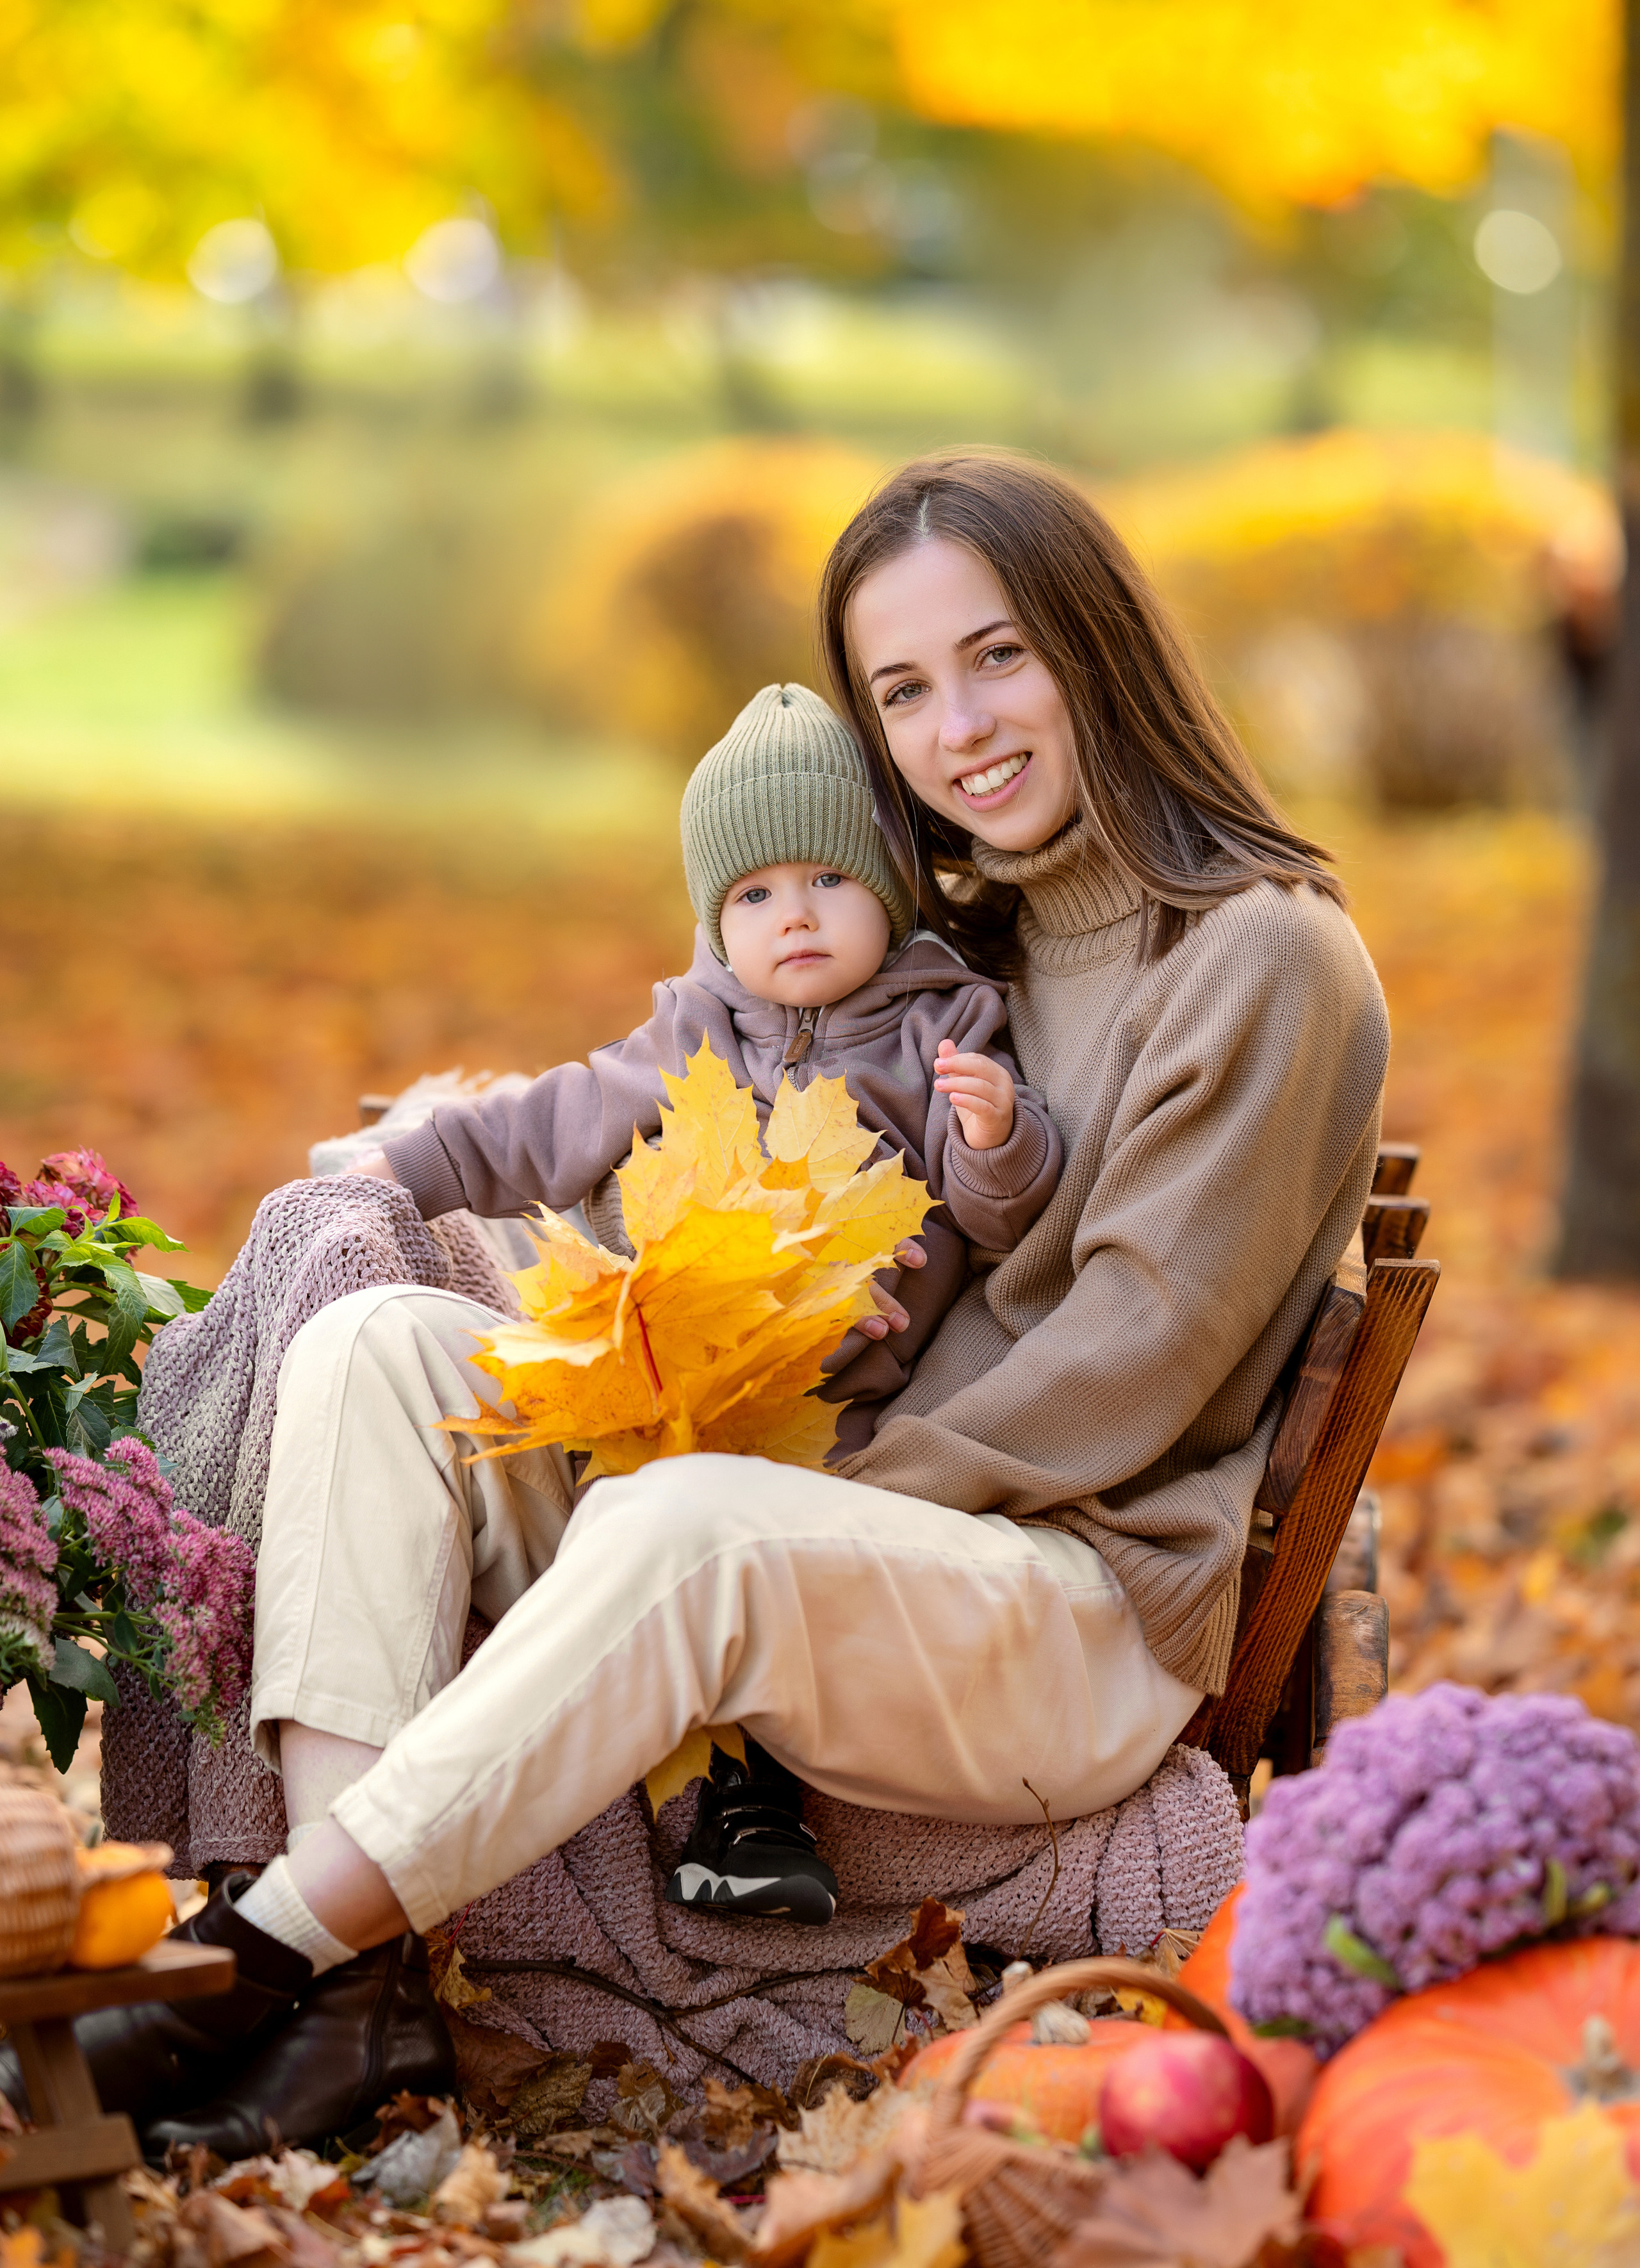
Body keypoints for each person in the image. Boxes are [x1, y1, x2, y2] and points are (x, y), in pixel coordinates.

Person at [31, 451, 1390, 2162]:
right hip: (839, 1538)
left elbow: (1130, 1366)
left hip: (1074, 1605)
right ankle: (363, 2010)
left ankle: (247, 1963)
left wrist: (767, 1488)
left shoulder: (1266, 958)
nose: (957, 724)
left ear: (1096, 643)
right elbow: (714, 1122)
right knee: (381, 1349)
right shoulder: (966, 943)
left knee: (687, 1522)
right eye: (903, 689)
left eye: (998, 656)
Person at [352, 675, 1065, 1927]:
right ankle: (572, 1762)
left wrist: (996, 1137)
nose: (792, 916)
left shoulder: (941, 1029)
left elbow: (998, 1221)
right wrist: (395, 1171)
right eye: (753, 894)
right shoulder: (687, 1035)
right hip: (673, 1381)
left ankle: (752, 1816)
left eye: (827, 882)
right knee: (627, 1518)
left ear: (888, 892)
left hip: (846, 1411)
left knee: (758, 1564)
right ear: (713, 918)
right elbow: (539, 1131)